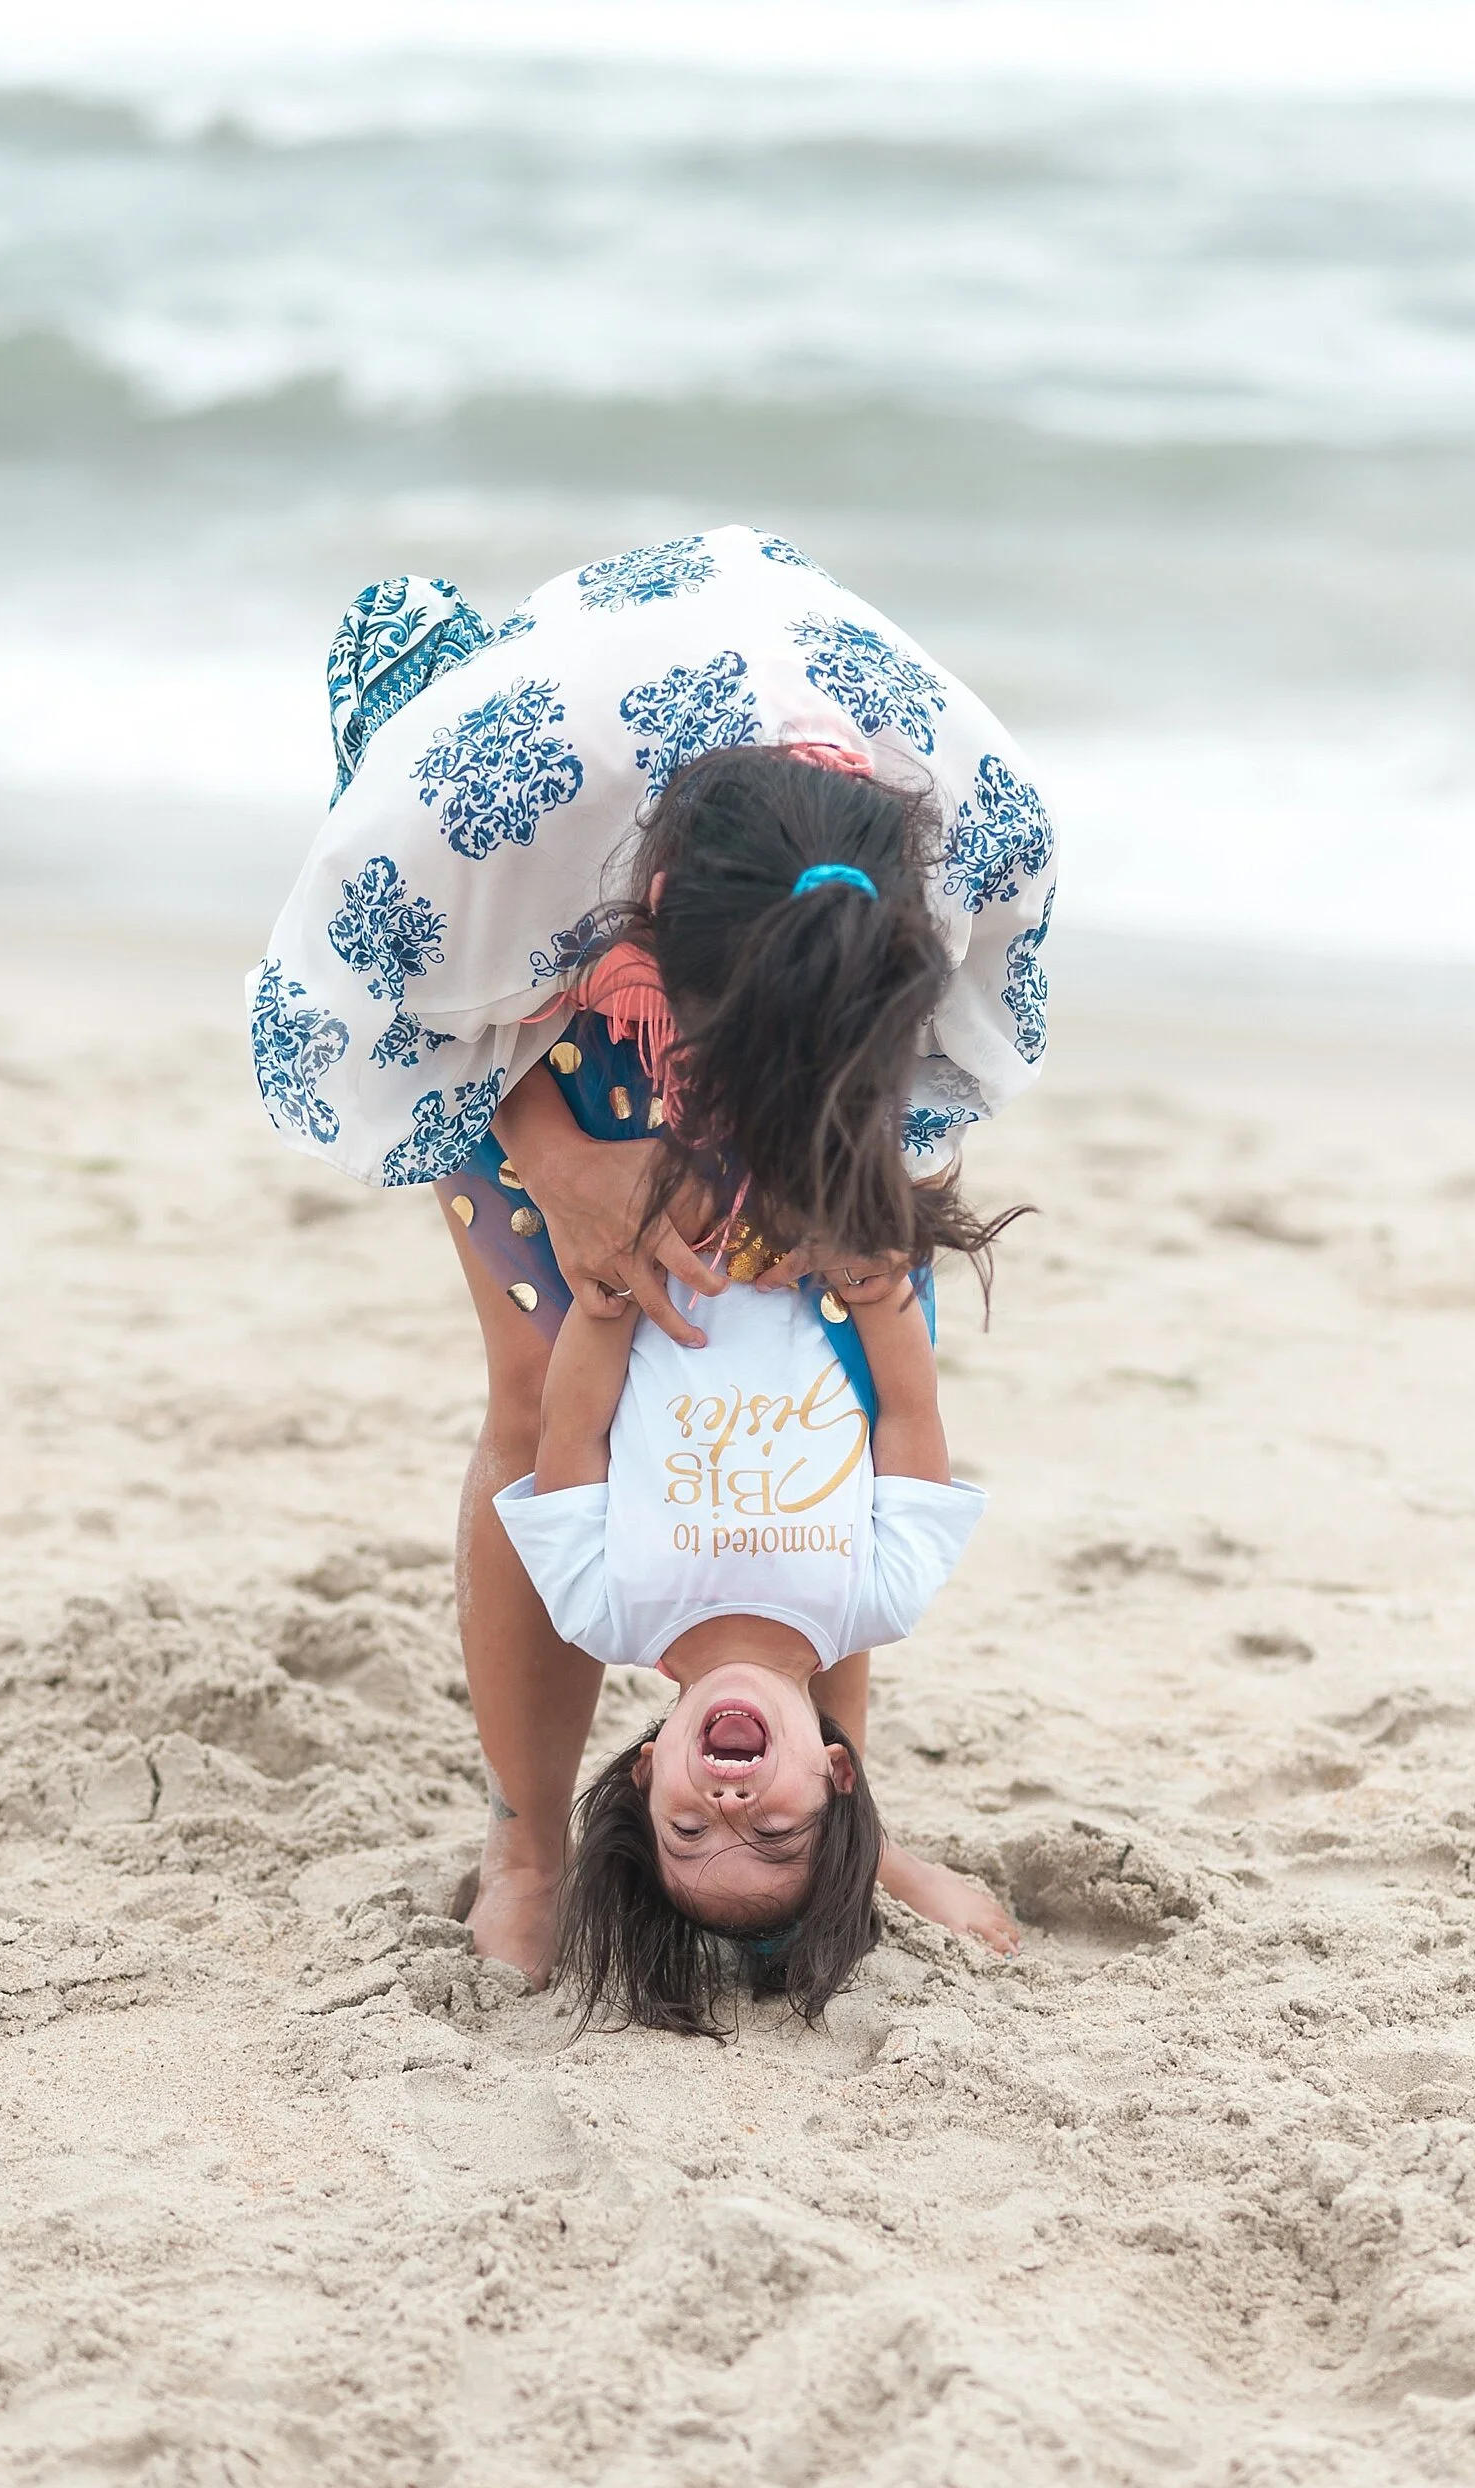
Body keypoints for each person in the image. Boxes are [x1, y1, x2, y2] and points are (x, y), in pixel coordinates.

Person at [248, 525, 1057, 1982]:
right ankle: (529, 1842)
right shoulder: (482, 816)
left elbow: (951, 1080)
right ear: (646, 940)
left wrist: (835, 1181)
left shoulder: (978, 838)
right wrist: (559, 1161)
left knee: (832, 1394)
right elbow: (363, 1036)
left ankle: (852, 1830)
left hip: (810, 959)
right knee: (536, 1375)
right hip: (515, 970)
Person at [497, 1221, 1020, 2033]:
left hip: (648, 1241)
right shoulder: (884, 1596)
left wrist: (619, 1284)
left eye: (689, 1828)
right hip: (824, 1247)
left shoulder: (596, 1607)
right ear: (838, 1774)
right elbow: (909, 1413)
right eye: (772, 1830)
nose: (730, 1801)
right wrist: (873, 1280)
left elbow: (571, 1430)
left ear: (645, 1774)